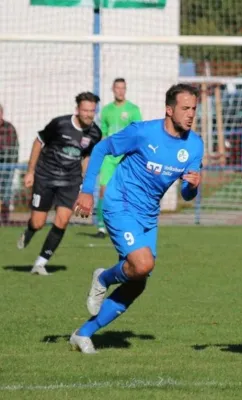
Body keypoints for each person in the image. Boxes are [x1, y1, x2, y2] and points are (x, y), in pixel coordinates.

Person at [69, 83, 203, 354]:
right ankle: (103, 279)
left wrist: (194, 185)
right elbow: (100, 149)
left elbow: (187, 195)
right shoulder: (143, 132)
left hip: (148, 215)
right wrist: (86, 191)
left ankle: (83, 334)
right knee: (142, 264)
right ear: (169, 109)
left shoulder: (194, 145)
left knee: (137, 282)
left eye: (194, 109)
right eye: (185, 108)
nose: (191, 114)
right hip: (120, 203)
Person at [17, 92, 101, 275]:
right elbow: (38, 142)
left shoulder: (95, 133)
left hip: (70, 181)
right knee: (38, 222)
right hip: (46, 176)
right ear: (77, 110)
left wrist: (86, 185)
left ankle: (40, 263)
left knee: (62, 220)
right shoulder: (60, 124)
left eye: (92, 111)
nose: (88, 114)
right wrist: (30, 171)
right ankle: (31, 230)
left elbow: (86, 156)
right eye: (85, 110)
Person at [96, 78, 142, 239]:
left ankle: (127, 225)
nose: (120, 91)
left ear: (126, 90)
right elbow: (102, 134)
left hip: (126, 156)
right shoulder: (106, 110)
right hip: (109, 157)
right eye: (117, 88)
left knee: (127, 192)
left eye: (123, 88)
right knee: (104, 191)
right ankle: (101, 227)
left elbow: (138, 134)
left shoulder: (133, 110)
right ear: (113, 89)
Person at [0, 104, 19, 225]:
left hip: (7, 167)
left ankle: (5, 220)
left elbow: (13, 147)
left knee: (5, 194)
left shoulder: (9, 128)